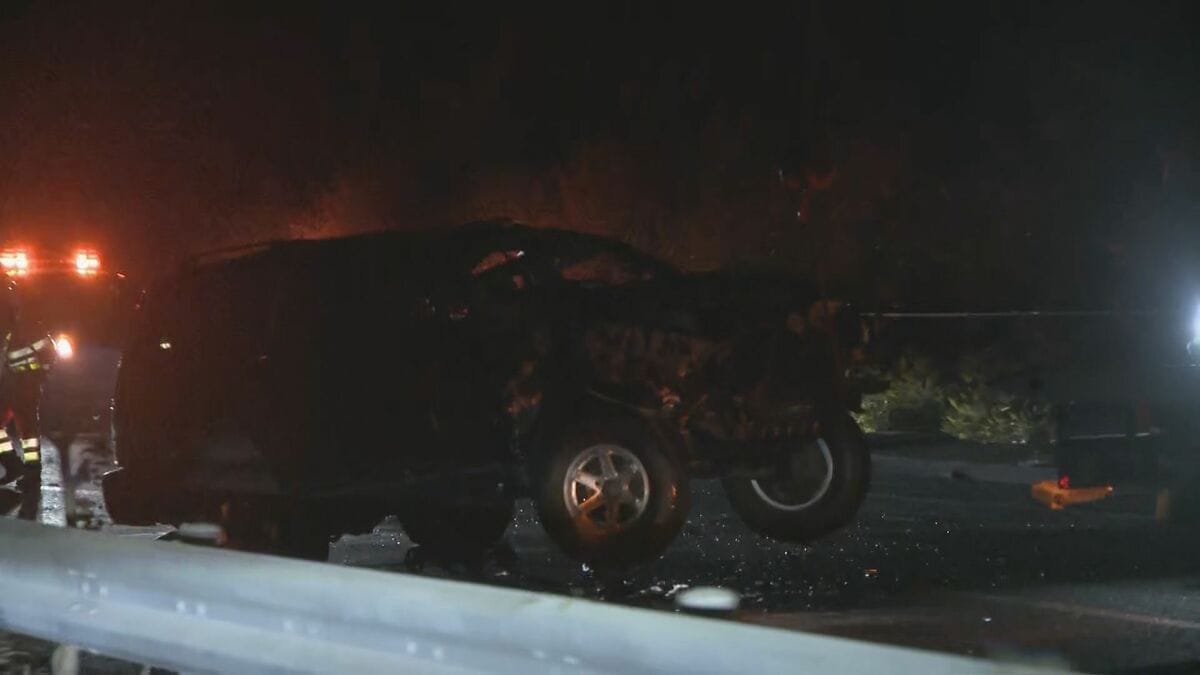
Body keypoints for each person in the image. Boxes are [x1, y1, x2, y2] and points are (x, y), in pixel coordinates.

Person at [0, 282, 56, 520]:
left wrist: (40, 374)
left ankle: (31, 475)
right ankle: (12, 463)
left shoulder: (30, 328)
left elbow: (49, 352)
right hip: (10, 386)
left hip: (25, 387)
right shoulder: (9, 330)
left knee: (29, 433)